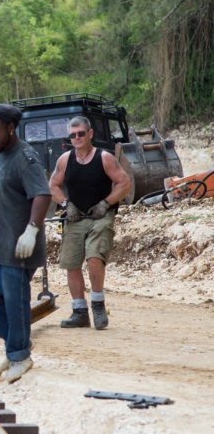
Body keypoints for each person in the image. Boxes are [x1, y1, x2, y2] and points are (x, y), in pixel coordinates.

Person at [0, 103, 51, 383]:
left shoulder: (26, 157)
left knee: (15, 301)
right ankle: (14, 346)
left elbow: (42, 194)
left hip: (19, 242)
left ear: (11, 128)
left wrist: (32, 229)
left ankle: (19, 355)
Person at [49, 116, 131, 330]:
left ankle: (97, 305)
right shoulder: (65, 160)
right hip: (75, 217)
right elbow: (53, 186)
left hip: (100, 216)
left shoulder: (104, 158)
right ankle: (79, 312)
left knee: (94, 258)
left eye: (81, 134)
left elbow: (124, 183)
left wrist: (106, 203)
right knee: (71, 262)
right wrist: (67, 204)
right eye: (73, 135)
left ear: (90, 134)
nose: (76, 138)